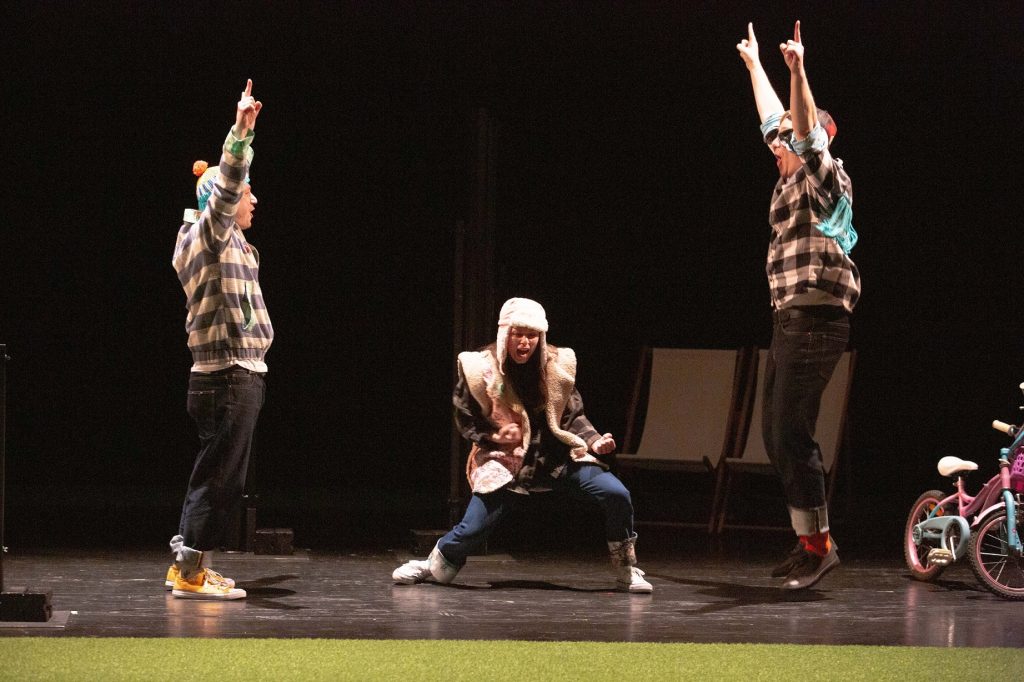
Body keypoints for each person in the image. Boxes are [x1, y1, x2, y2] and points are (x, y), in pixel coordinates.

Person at [392, 298, 653, 593]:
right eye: (518, 334)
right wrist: (495, 437)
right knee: (474, 528)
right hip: (506, 461)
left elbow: (573, 415)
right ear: (505, 333)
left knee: (616, 493)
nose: (525, 342)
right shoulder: (482, 368)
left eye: (532, 335)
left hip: (555, 458)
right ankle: (434, 564)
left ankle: (626, 567)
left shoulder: (556, 365)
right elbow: (465, 415)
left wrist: (595, 441)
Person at [736, 22, 860, 589]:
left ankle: (820, 548)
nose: (777, 141)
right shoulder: (786, 173)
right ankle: (809, 541)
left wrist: (798, 71)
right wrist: (755, 65)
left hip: (817, 319)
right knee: (774, 432)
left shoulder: (823, 177)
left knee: (791, 431)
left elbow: (804, 131)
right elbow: (774, 119)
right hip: (791, 320)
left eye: (788, 137)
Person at [164, 79, 272, 600]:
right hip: (227, 375)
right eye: (249, 192)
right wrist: (240, 135)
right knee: (219, 479)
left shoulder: (232, 245)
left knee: (222, 476)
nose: (253, 198)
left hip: (237, 374)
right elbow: (226, 188)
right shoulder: (208, 236)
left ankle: (190, 566)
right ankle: (189, 572)